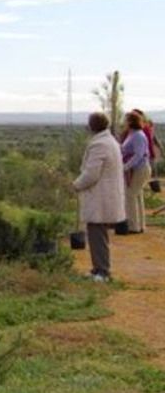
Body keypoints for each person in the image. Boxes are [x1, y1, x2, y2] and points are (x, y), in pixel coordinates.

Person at [73, 112, 126, 282]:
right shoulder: (110, 141)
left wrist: (76, 184)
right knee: (98, 234)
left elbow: (91, 174)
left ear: (92, 126)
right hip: (105, 195)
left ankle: (102, 271)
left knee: (97, 234)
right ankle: (99, 269)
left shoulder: (99, 144)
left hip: (100, 196)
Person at [121, 111, 151, 234]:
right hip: (138, 169)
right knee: (137, 195)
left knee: (130, 195)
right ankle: (140, 225)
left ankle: (133, 226)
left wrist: (126, 166)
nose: (124, 122)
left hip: (140, 168)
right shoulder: (133, 134)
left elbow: (138, 154)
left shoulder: (138, 135)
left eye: (126, 120)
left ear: (131, 121)